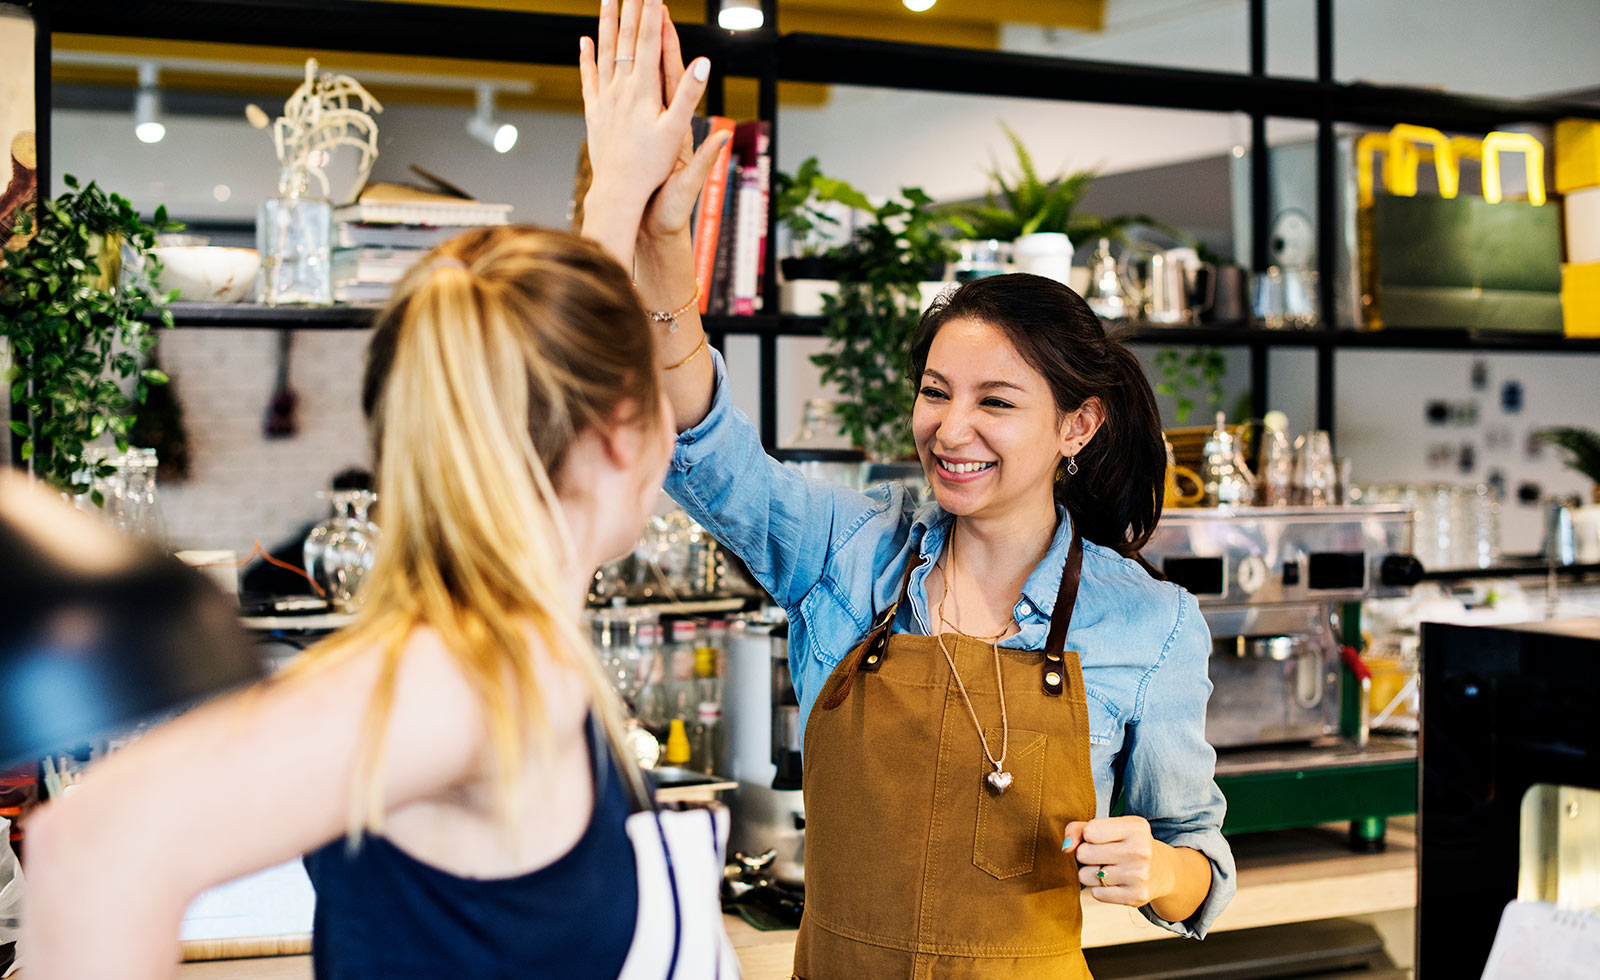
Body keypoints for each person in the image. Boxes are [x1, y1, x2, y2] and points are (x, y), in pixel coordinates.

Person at [579, 2, 1236, 976]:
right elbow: (705, 440)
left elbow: (1204, 864)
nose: (949, 427)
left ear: (1077, 424)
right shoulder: (848, 546)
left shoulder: (1150, 623)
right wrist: (662, 236)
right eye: (935, 392)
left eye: (995, 401)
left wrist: (1158, 868)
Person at [21, 223, 721, 973]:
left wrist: (628, 194)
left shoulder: (511, 654)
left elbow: (552, 342)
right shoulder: (475, 676)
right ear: (623, 430)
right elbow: (94, 846)